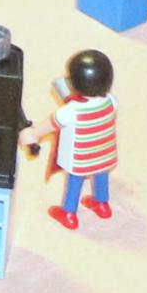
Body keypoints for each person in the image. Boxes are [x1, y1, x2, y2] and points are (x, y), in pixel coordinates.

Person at [40, 47, 120, 227]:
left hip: (80, 159)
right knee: (101, 177)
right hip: (105, 155)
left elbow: (51, 125)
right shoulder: (111, 101)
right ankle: (102, 204)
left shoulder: (71, 111)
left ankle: (68, 213)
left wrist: (31, 134)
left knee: (74, 183)